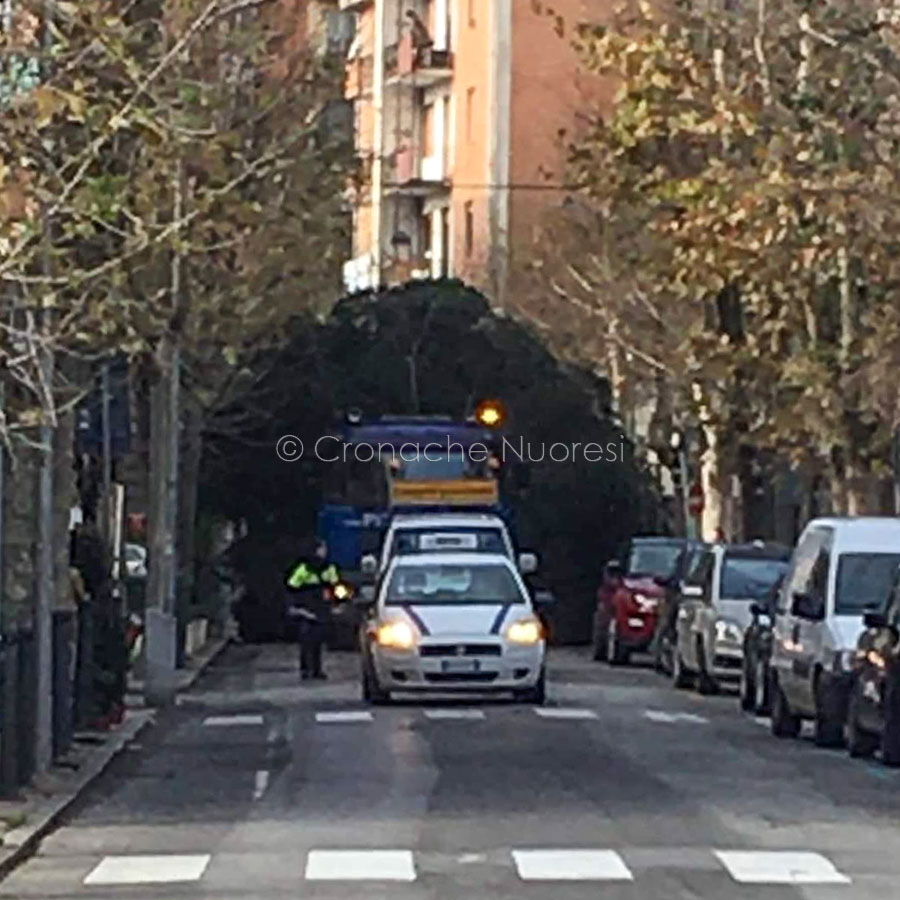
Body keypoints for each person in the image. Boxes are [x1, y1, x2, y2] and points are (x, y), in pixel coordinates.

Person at [286, 539, 340, 680]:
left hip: (318, 607)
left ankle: (314, 669)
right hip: (309, 608)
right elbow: (292, 586)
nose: (325, 552)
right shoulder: (306, 568)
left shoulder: (325, 568)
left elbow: (335, 587)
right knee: (308, 640)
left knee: (315, 640)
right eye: (323, 549)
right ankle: (308, 669)